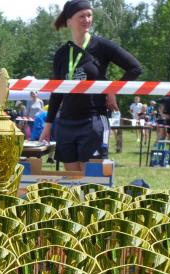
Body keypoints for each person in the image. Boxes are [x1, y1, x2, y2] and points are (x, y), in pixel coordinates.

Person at [40, 0, 142, 171]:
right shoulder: (62, 54)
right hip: (66, 123)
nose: (87, 20)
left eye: (89, 15)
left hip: (93, 121)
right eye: (81, 16)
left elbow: (135, 68)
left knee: (91, 179)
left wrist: (112, 91)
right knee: (72, 180)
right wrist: (48, 125)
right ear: (69, 21)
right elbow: (57, 92)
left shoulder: (102, 46)